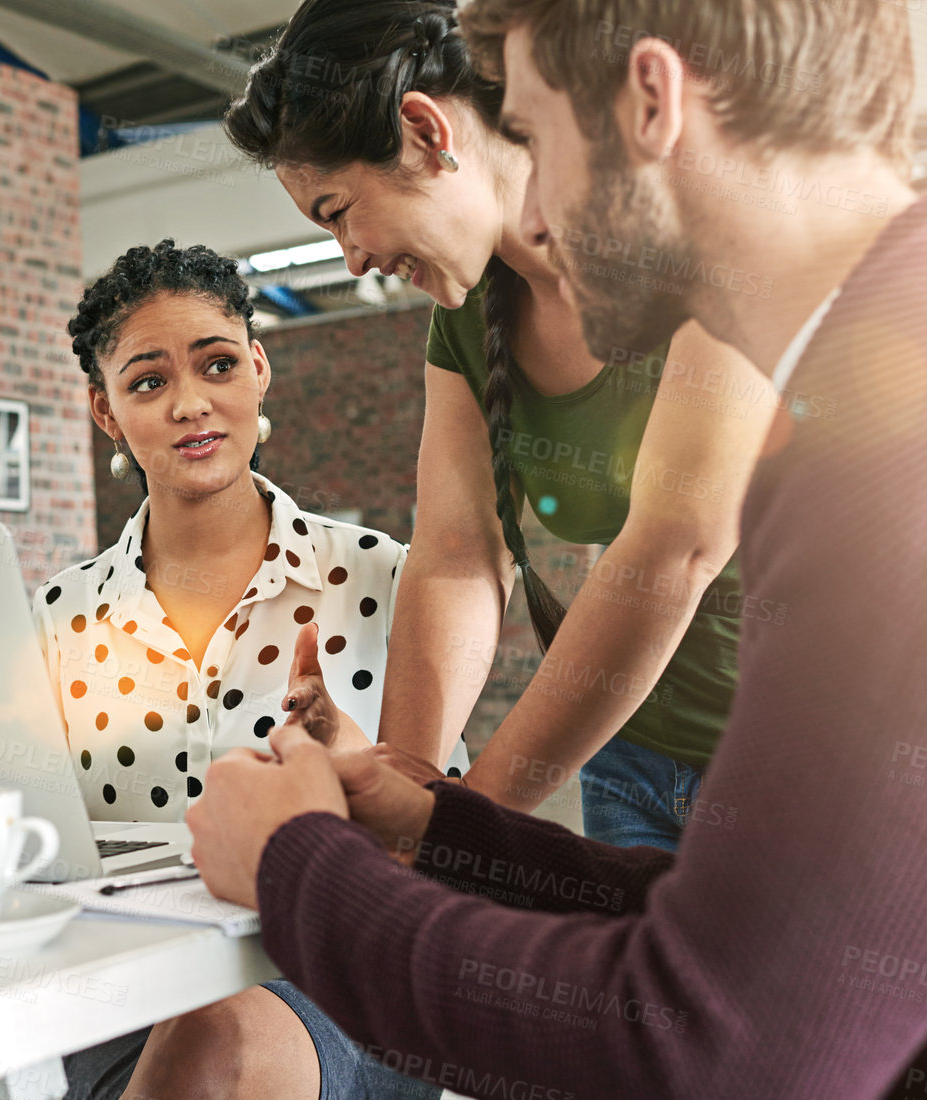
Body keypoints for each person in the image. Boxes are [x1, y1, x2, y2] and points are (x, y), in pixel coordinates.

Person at [187, 1, 927, 1100]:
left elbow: (706, 1078)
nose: (538, 213)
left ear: (652, 105)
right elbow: (757, 962)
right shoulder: (906, 334)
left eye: (540, 141)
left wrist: (298, 870)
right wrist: (443, 829)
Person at [223, 0, 777, 851]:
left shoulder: (706, 241)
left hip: (791, 760)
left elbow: (675, 548)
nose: (353, 259)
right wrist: (401, 780)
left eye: (337, 211)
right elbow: (456, 553)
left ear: (423, 130)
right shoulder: (470, 318)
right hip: (625, 754)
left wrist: (457, 828)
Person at [32, 239, 442, 1100]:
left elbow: (440, 834)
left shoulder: (380, 576)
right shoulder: (60, 614)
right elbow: (44, 850)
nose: (190, 403)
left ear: (257, 367)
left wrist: (345, 783)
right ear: (105, 411)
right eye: (146, 383)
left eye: (217, 364)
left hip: (354, 996)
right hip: (127, 1015)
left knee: (214, 1037)